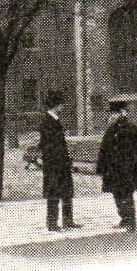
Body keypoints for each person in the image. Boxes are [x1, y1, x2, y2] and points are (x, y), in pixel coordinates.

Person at [95, 100, 137, 232]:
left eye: (114, 113)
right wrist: (102, 166)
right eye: (111, 114)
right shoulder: (112, 130)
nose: (111, 116)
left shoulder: (129, 128)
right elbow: (105, 149)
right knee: (117, 194)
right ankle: (124, 218)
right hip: (114, 169)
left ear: (121, 114)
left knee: (126, 194)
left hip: (126, 169)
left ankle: (130, 220)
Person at [37, 90, 80, 232]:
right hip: (54, 164)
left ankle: (68, 220)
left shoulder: (54, 121)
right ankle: (52, 223)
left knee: (66, 191)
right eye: (61, 103)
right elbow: (48, 145)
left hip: (61, 163)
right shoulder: (47, 122)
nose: (63, 106)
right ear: (56, 105)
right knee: (54, 193)